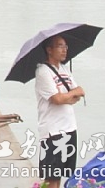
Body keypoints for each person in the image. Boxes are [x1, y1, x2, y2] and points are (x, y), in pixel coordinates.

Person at [35, 34, 85, 188]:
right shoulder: (43, 71)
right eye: (60, 46)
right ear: (49, 50)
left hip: (69, 128)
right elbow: (56, 99)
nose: (64, 50)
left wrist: (66, 96)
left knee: (62, 174)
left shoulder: (64, 69)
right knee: (51, 177)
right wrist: (68, 95)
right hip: (53, 131)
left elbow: (79, 93)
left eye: (65, 46)